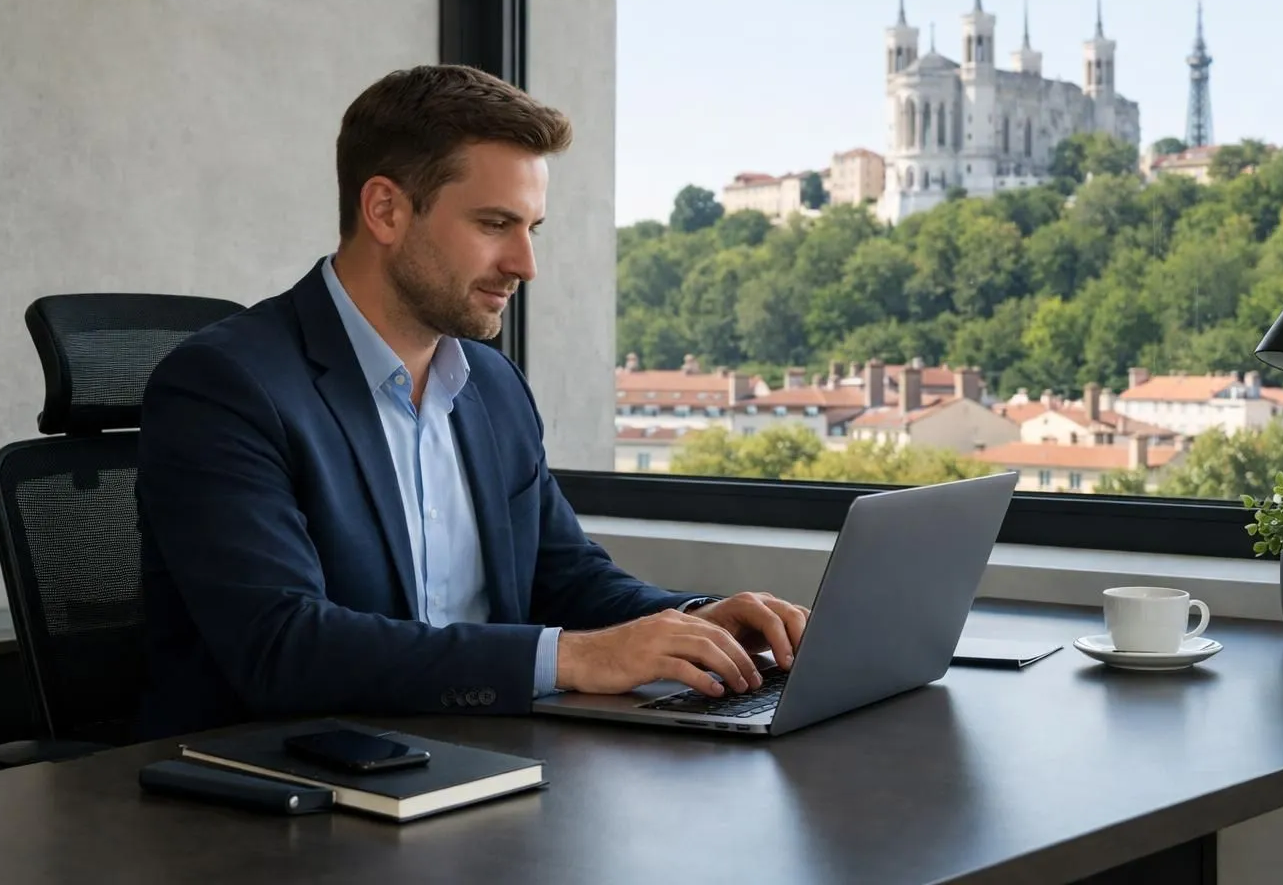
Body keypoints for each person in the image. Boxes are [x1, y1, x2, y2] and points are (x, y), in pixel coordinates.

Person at [136, 64, 809, 739]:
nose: (525, 264)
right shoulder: (224, 387)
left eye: (531, 229)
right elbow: (283, 646)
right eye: (495, 224)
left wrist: (699, 621)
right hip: (284, 789)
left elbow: (566, 577)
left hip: (476, 757)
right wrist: (573, 657)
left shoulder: (491, 385)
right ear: (386, 211)